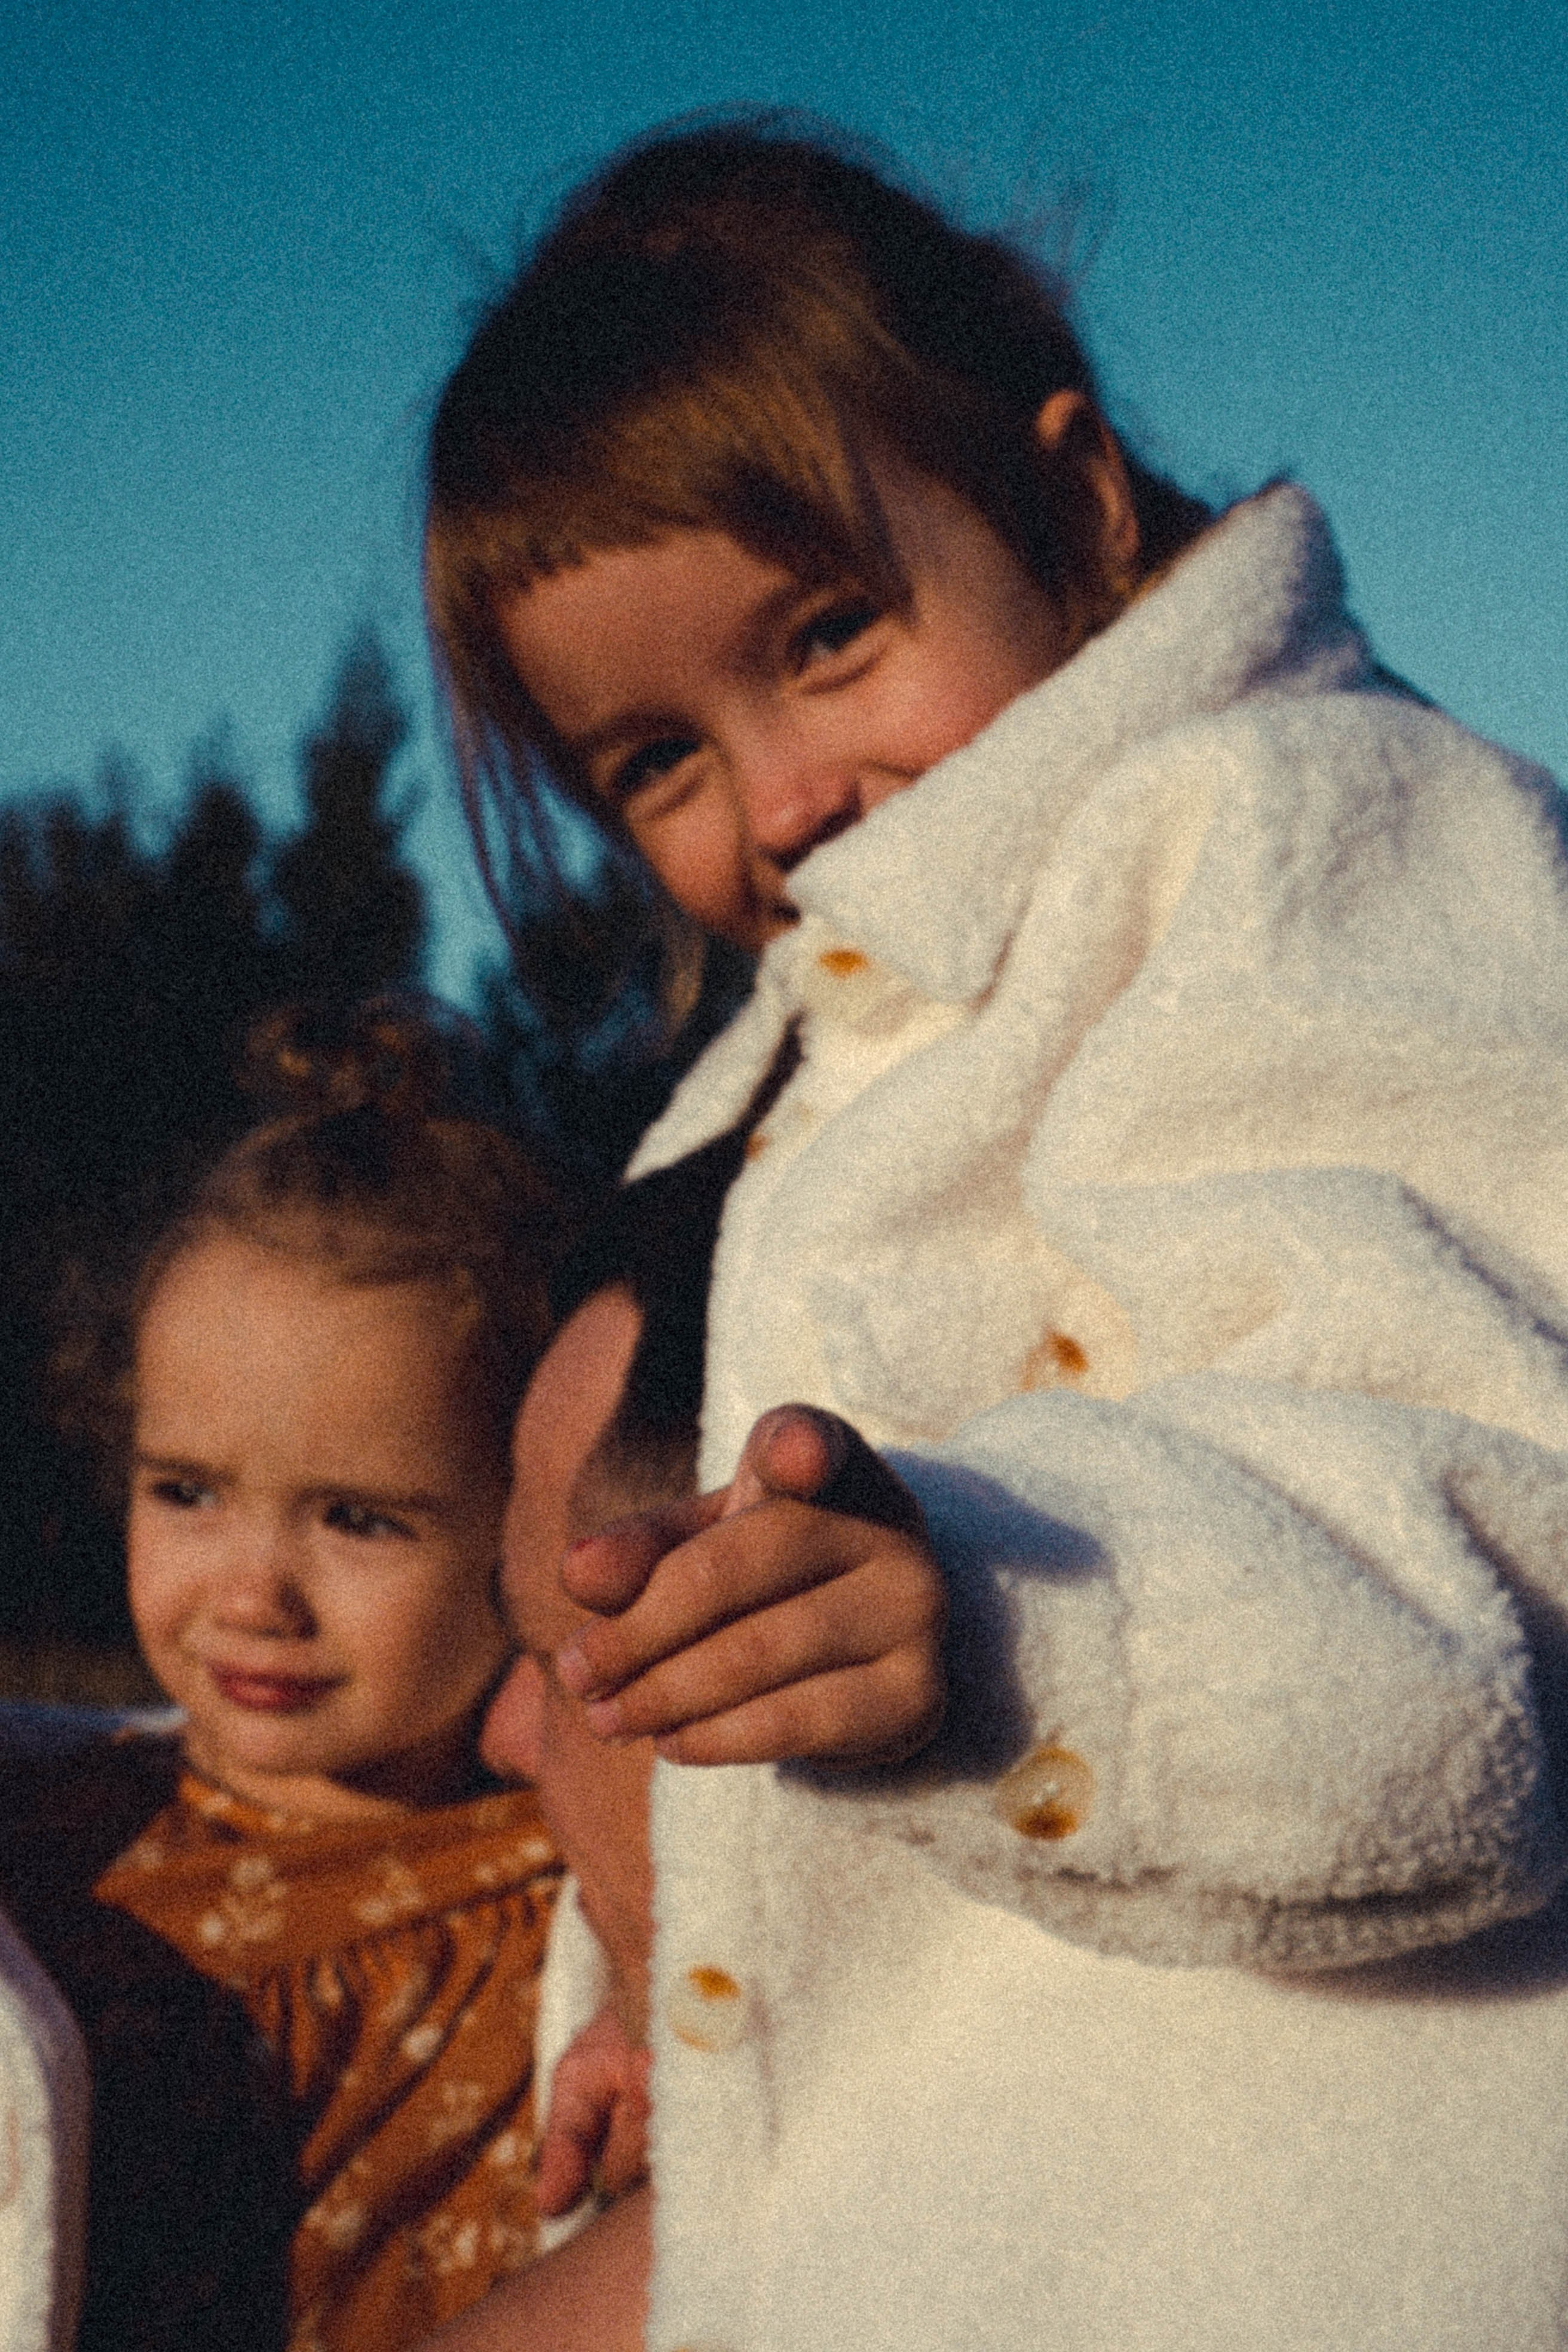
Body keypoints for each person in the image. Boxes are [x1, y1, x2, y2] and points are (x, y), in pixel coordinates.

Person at [422, 115, 1568, 2350]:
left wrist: (1024, 1622)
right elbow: (716, 1587)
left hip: (1265, 2226)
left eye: (826, 635)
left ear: (1074, 499)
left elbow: (1485, 1505)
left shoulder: (1302, 836)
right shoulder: (817, 1058)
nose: (778, 802)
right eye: (652, 763)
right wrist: (671, 1996)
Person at [0, 1002, 571, 2352]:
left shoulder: (583, 1898)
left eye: (358, 1519)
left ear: (530, 1527)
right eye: (187, 1492)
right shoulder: (51, 1843)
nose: (251, 1594)